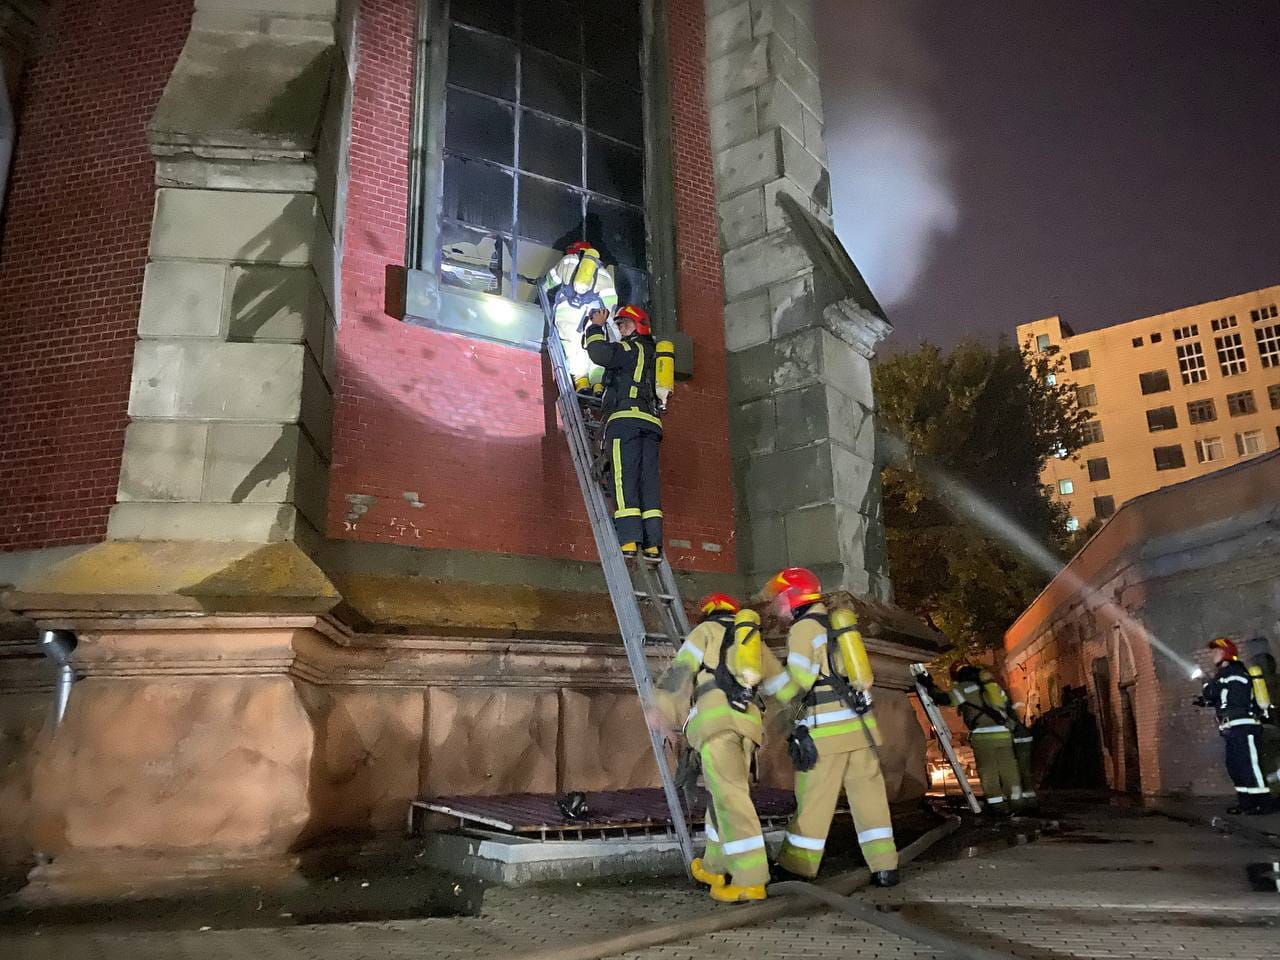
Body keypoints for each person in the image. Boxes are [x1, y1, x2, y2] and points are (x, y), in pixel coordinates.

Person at [650, 593, 794, 903]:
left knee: (731, 801)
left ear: (706, 614)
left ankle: (751, 879)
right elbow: (782, 688)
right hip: (747, 729)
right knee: (724, 796)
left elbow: (680, 672)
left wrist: (659, 708)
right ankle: (715, 866)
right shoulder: (751, 640)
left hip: (716, 726)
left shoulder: (704, 632)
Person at [762, 567, 900, 887]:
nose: (778, 606)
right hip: (860, 730)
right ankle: (885, 866)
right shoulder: (839, 626)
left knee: (814, 801)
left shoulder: (803, 630)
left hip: (827, 733)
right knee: (870, 799)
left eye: (780, 599)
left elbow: (799, 682)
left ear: (793, 598)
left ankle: (797, 865)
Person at [585, 304, 663, 558]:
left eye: (625, 325)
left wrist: (596, 326)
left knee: (623, 478)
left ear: (639, 326)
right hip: (650, 424)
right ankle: (652, 543)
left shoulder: (630, 348)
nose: (620, 329)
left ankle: (629, 539)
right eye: (617, 325)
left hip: (625, 421)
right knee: (648, 481)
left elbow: (598, 353)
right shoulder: (653, 355)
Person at [917, 663, 1027, 815]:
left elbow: (946, 699)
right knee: (1009, 770)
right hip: (1004, 734)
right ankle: (1018, 803)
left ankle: (997, 806)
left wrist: (928, 684)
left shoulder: (965, 688)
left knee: (989, 772)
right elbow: (1007, 706)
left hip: (983, 737)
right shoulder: (992, 687)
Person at [1195, 637, 1274, 815]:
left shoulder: (1235, 672)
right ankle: (1245, 803)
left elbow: (1231, 698)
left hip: (1244, 726)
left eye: (1216, 651)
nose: (1212, 655)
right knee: (1235, 766)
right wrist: (1206, 701)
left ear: (1226, 654)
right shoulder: (1223, 675)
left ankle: (1263, 803)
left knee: (1250, 765)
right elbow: (1222, 698)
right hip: (1231, 728)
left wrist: (1206, 683)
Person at [540, 241, 617, 392]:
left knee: (573, 347)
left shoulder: (568, 260)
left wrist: (540, 287)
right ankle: (598, 386)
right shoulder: (604, 273)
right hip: (593, 316)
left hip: (567, 312)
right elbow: (611, 304)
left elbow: (549, 281)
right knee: (594, 347)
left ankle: (581, 383)